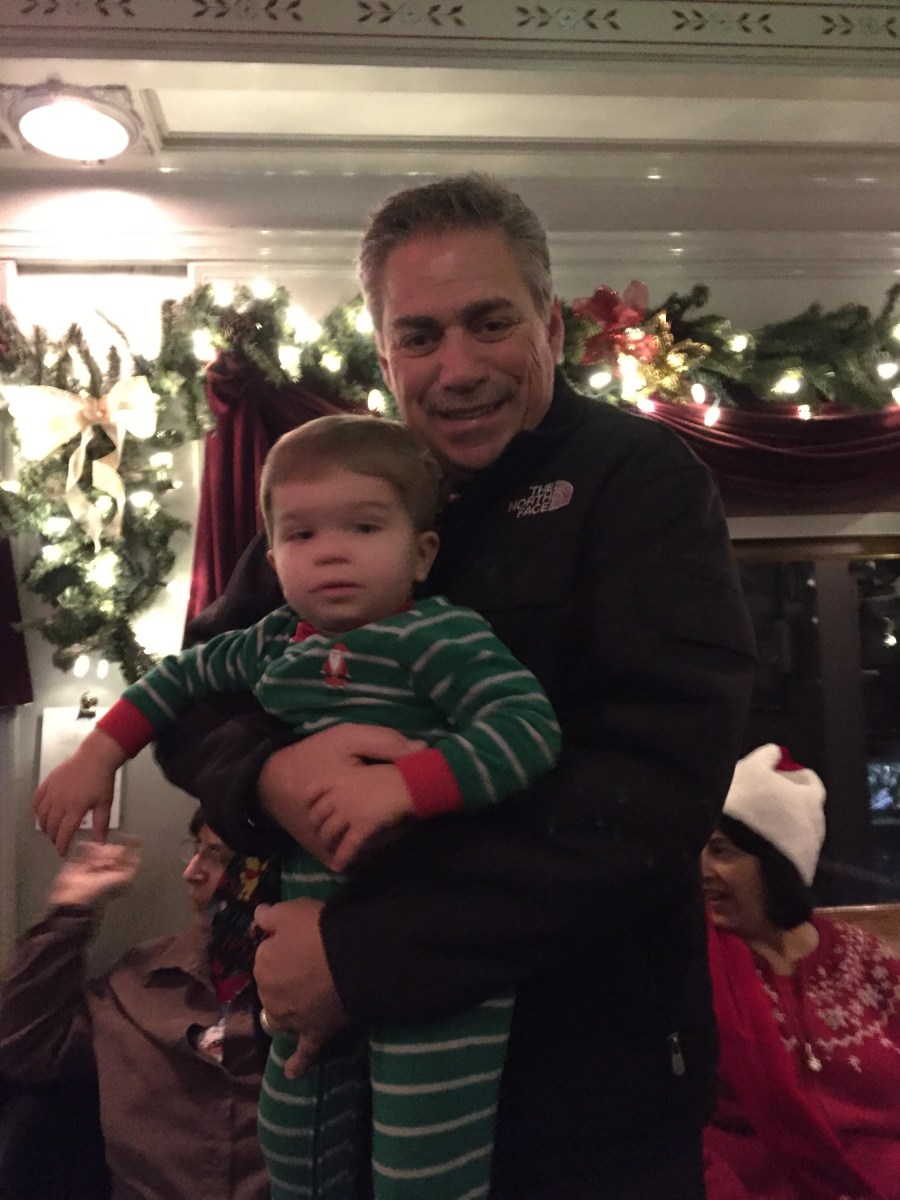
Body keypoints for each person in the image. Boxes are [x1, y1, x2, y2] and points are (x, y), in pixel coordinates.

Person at [152, 172, 756, 1199]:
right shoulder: (347, 483)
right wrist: (271, 779)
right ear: (385, 354)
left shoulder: (637, 478)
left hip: (583, 1087)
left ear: (551, 327)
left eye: (491, 323)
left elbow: (654, 784)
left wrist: (362, 957)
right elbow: (199, 693)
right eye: (420, 336)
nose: (459, 368)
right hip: (347, 1070)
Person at [33, 414, 563, 1200]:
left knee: (420, 1166)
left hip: (432, 948)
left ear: (422, 552)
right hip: (303, 948)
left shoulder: (440, 636)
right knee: (291, 1133)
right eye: (302, 534)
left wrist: (403, 786)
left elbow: (527, 729)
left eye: (364, 527)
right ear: (273, 556)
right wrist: (97, 754)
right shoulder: (270, 641)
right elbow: (176, 680)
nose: (331, 551)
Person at [0, 809, 277, 1200]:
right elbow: (22, 1048)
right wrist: (70, 910)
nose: (191, 873)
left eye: (217, 857)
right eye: (196, 851)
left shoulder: (318, 997)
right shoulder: (137, 984)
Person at [702, 743, 900, 1200]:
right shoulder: (688, 967)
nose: (702, 870)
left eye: (721, 851)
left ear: (776, 863)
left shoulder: (866, 959)